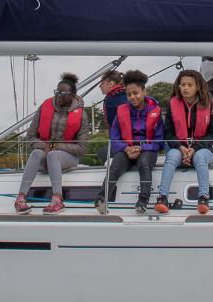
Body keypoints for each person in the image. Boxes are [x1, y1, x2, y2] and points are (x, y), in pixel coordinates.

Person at [14, 73, 89, 214]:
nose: (59, 96)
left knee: (53, 155)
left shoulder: (82, 116)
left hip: (68, 158)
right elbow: (30, 137)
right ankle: (21, 198)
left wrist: (54, 147)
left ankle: (57, 200)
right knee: (36, 153)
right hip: (44, 154)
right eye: (57, 92)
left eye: (63, 94)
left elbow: (82, 148)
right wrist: (44, 146)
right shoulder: (44, 107)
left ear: (73, 95)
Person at [155, 69, 213, 215]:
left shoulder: (209, 103)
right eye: (183, 84)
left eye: (190, 85)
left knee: (200, 157)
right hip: (179, 148)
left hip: (202, 149)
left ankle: (203, 198)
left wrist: (195, 148)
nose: (185, 88)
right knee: (171, 157)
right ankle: (162, 198)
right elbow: (168, 132)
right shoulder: (173, 103)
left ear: (197, 86)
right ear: (178, 86)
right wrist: (180, 147)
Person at [98, 69, 164, 215]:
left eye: (136, 93)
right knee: (115, 167)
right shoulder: (121, 111)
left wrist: (141, 148)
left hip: (147, 149)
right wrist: (126, 148)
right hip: (126, 149)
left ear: (144, 91)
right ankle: (102, 199)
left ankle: (143, 201)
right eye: (129, 94)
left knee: (144, 165)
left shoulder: (156, 111)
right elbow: (114, 138)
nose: (132, 97)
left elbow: (159, 141)